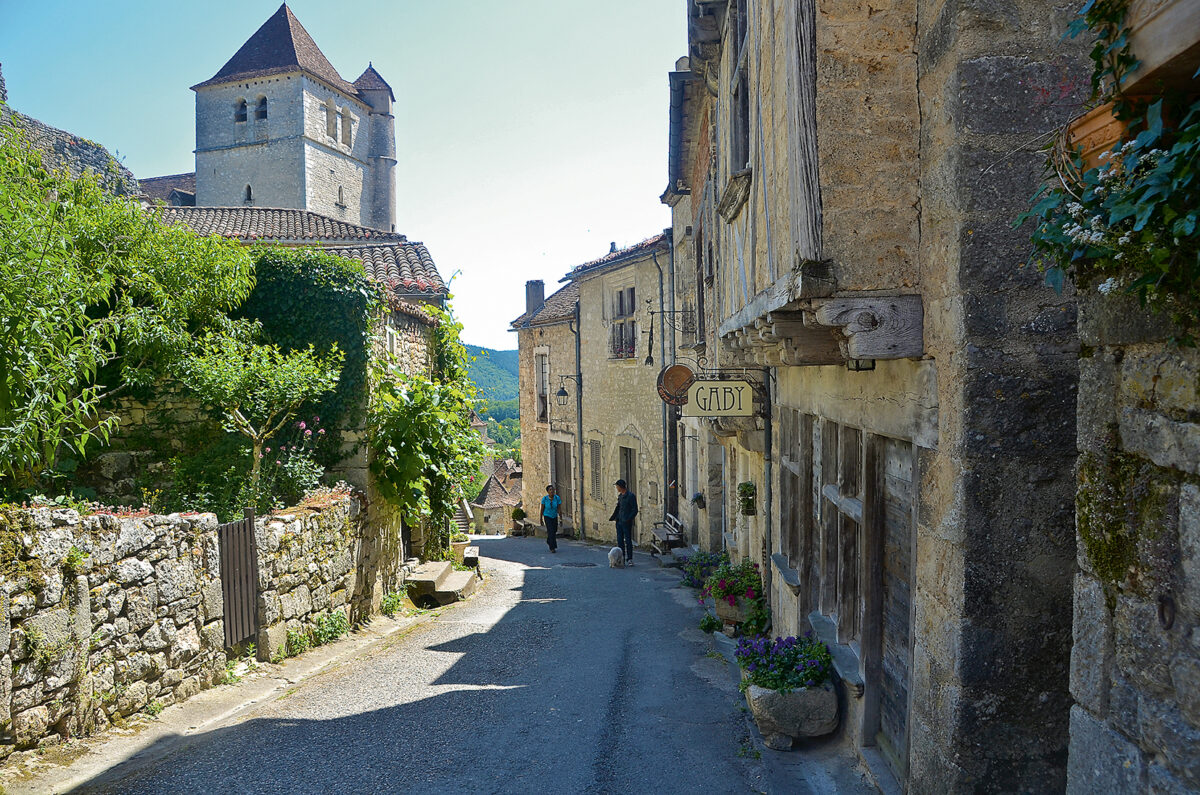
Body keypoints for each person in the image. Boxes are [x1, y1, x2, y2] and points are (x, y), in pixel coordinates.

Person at [609, 479, 639, 566]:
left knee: (628, 540)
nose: (617, 488)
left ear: (621, 487)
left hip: (626, 522)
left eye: (617, 486)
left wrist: (628, 519)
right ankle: (620, 558)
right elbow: (618, 507)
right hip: (619, 521)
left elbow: (635, 510)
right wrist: (614, 517)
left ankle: (629, 559)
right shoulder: (620, 496)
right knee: (620, 540)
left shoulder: (630, 496)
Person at [540, 484, 562, 553]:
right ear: (548, 492)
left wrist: (561, 519)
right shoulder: (545, 499)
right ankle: (552, 547)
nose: (552, 491)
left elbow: (559, 509)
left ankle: (549, 540)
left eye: (553, 490)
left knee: (554, 530)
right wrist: (541, 519)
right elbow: (542, 509)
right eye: (550, 490)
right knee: (551, 531)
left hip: (554, 516)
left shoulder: (557, 498)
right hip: (547, 516)